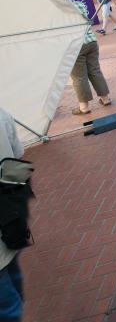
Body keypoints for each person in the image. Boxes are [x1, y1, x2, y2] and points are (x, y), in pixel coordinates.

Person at [0, 109, 28, 322]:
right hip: (10, 222)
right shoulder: (2, 114)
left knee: (7, 308)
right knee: (13, 275)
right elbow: (17, 161)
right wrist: (18, 205)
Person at [70, 0, 112, 114]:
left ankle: (84, 107)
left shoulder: (60, 8)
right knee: (95, 71)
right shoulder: (79, 3)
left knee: (79, 77)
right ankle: (105, 99)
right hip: (91, 41)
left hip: (75, 45)